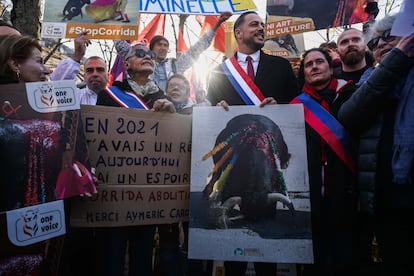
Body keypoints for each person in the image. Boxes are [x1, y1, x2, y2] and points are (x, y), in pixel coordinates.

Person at [206, 11, 299, 276]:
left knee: (266, 258)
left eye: (263, 25)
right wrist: (215, 108)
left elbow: (296, 106)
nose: (261, 28)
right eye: (254, 24)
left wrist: (281, 107)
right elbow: (210, 111)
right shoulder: (218, 72)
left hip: (266, 170)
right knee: (233, 257)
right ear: (238, 33)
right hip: (234, 169)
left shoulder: (281, 67)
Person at [338, 14, 414, 275]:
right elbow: (349, 117)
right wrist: (393, 64)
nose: (379, 44)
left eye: (388, 36)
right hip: (387, 200)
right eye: (374, 43)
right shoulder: (369, 81)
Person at [95, 42, 175, 276]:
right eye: (139, 53)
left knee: (143, 259)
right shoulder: (110, 95)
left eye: (150, 54)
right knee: (112, 258)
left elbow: (172, 145)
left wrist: (172, 116)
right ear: (126, 63)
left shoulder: (163, 99)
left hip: (147, 193)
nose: (147, 56)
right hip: (115, 191)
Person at [290, 48, 358, 276]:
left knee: (344, 259)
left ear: (330, 67)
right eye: (309, 65)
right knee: (313, 261)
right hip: (310, 199)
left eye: (320, 62)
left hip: (346, 193)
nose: (314, 67)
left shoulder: (351, 95)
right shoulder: (294, 107)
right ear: (304, 74)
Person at [114, 12, 232, 92]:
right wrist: (117, 14)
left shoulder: (175, 65)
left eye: (166, 46)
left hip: (170, 110)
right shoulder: (139, 61)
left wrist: (217, 24)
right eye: (159, 45)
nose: (163, 48)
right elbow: (120, 44)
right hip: (143, 106)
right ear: (151, 48)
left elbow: (197, 49)